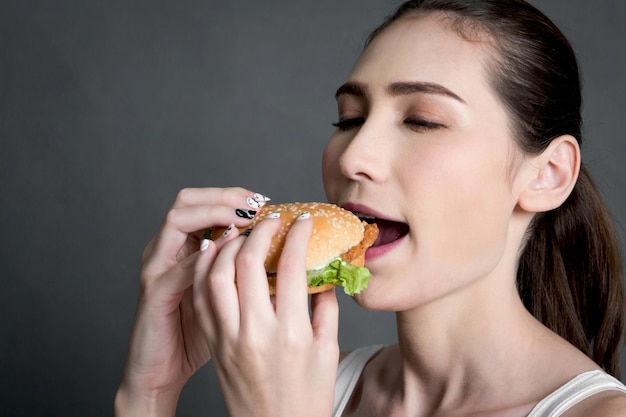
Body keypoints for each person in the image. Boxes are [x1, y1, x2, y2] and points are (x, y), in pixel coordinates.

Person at [114, 0, 626, 415]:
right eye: (349, 119)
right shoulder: (312, 386)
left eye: (422, 120)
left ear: (547, 175)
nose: (354, 157)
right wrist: (151, 393)